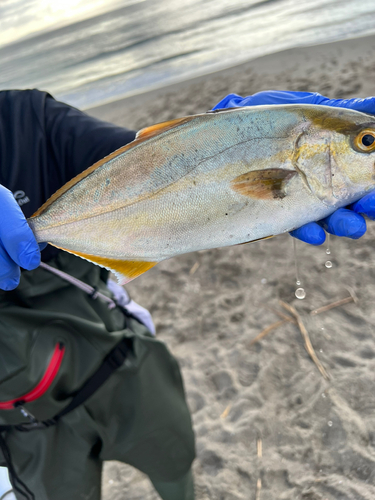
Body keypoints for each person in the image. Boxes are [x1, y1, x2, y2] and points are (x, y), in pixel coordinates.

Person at [0, 89, 375, 500]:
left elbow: (143, 161)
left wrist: (223, 139)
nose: (369, 147)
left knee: (175, 460)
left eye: (364, 142)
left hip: (118, 352)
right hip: (20, 413)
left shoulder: (24, 115)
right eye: (367, 143)